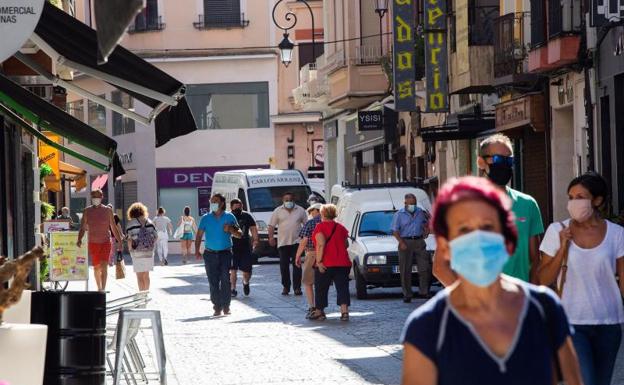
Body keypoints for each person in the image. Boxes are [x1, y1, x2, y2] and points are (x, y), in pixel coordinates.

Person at [401, 176, 582, 385]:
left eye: (487, 227)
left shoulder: (544, 309)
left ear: (507, 238)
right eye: (464, 230)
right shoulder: (427, 326)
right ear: (445, 246)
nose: (478, 239)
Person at [538, 172, 624, 385]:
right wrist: (561, 249)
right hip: (571, 322)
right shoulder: (556, 230)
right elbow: (542, 278)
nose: (573, 203)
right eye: (571, 197)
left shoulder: (617, 234)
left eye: (580, 197)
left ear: (597, 200)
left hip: (609, 323)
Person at [433, 133, 544, 286]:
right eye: (498, 159)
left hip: (518, 304)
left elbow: (535, 260)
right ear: (481, 162)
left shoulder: (528, 204)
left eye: (509, 160)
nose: (504, 164)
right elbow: (440, 267)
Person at [195, 194, 242, 316]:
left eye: (215, 201)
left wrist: (231, 229)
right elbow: (199, 235)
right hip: (210, 254)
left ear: (222, 203)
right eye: (211, 201)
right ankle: (217, 306)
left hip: (225, 253)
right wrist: (196, 250)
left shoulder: (229, 216)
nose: (213, 204)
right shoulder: (205, 218)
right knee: (213, 281)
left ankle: (226, 306)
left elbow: (240, 234)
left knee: (225, 280)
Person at [309, 204, 352, 321]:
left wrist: (319, 262)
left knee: (321, 288)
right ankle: (344, 312)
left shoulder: (319, 227)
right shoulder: (341, 228)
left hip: (326, 263)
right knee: (342, 287)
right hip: (342, 263)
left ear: (322, 214)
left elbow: (321, 244)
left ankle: (320, 312)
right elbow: (346, 244)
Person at [77, 189, 123, 291]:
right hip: (93, 242)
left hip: (106, 242)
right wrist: (79, 239)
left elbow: (113, 227)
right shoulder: (87, 211)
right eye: (93, 196)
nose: (95, 199)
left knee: (104, 266)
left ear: (102, 197)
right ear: (91, 197)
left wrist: (119, 241)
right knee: (96, 267)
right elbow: (83, 227)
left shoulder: (108, 210)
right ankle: (99, 287)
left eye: (97, 197)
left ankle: (102, 289)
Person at [391, 193, 431, 302]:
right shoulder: (399, 214)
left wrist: (426, 231)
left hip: (419, 241)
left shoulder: (420, 213)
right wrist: (401, 242)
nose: (413, 205)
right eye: (411, 204)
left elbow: (425, 225)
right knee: (405, 270)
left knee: (424, 267)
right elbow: (394, 231)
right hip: (405, 242)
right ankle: (407, 294)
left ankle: (424, 291)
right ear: (405, 203)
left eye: (414, 203)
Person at [268, 192, 307, 296]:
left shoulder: (301, 210)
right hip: (283, 242)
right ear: (283, 200)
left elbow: (306, 225)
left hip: (297, 242)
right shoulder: (277, 211)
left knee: (297, 265)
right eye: (286, 200)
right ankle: (286, 286)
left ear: (294, 199)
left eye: (290, 199)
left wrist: (306, 239)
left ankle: (297, 288)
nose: (288, 201)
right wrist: (271, 237)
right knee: (284, 266)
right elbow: (271, 225)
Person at [295, 203, 323, 318]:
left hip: (312, 254)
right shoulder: (330, 223)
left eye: (312, 211)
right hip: (326, 255)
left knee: (308, 282)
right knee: (321, 283)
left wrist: (297, 256)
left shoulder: (311, 223)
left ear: (317, 211)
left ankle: (312, 307)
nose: (310, 214)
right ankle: (321, 307)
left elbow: (304, 241)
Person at [229, 199, 259, 297]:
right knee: (233, 269)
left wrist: (255, 240)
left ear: (242, 206)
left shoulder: (247, 216)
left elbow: (253, 228)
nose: (238, 209)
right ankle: (233, 289)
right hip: (231, 246)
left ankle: (245, 282)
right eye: (236, 207)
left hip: (245, 246)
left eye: (240, 207)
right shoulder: (228, 217)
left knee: (247, 271)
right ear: (231, 207)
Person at [126, 203, 158, 291]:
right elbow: (156, 236)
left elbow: (129, 239)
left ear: (131, 213)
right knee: (146, 275)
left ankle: (142, 295)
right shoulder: (150, 222)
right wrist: (150, 245)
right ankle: (147, 293)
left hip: (137, 252)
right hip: (149, 252)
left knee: (139, 275)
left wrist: (131, 250)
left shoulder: (131, 223)